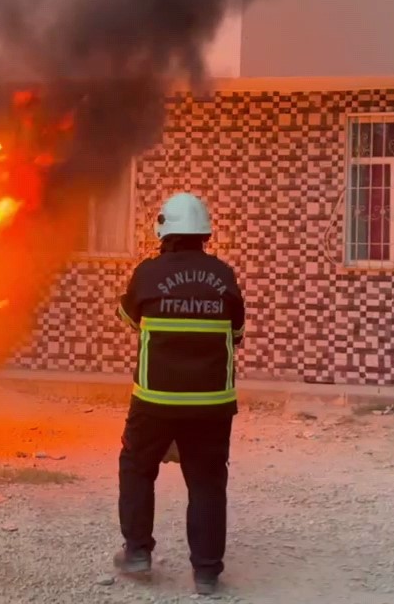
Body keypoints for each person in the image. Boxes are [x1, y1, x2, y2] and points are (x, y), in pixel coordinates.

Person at [112, 192, 246, 596]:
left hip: (155, 400)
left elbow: (129, 319)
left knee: (137, 467)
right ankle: (206, 574)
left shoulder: (148, 273)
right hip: (211, 404)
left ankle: (138, 552)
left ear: (163, 230)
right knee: (206, 482)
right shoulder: (223, 275)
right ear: (204, 232)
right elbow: (237, 333)